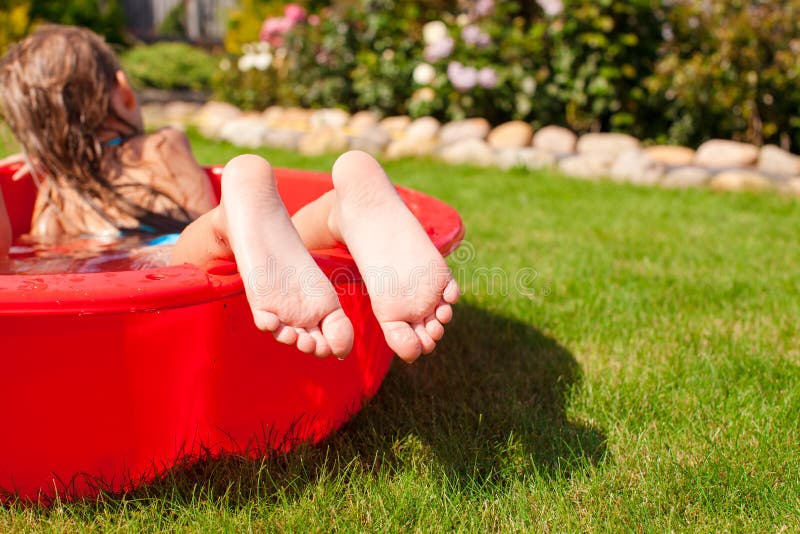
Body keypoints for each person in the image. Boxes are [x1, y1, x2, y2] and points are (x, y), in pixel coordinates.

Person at [0, 25, 458, 362]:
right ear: (124, 94)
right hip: (196, 243)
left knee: (215, 242)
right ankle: (340, 208)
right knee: (245, 234)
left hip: (137, 270)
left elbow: (36, 265)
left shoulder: (52, 197)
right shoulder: (163, 145)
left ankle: (233, 221)